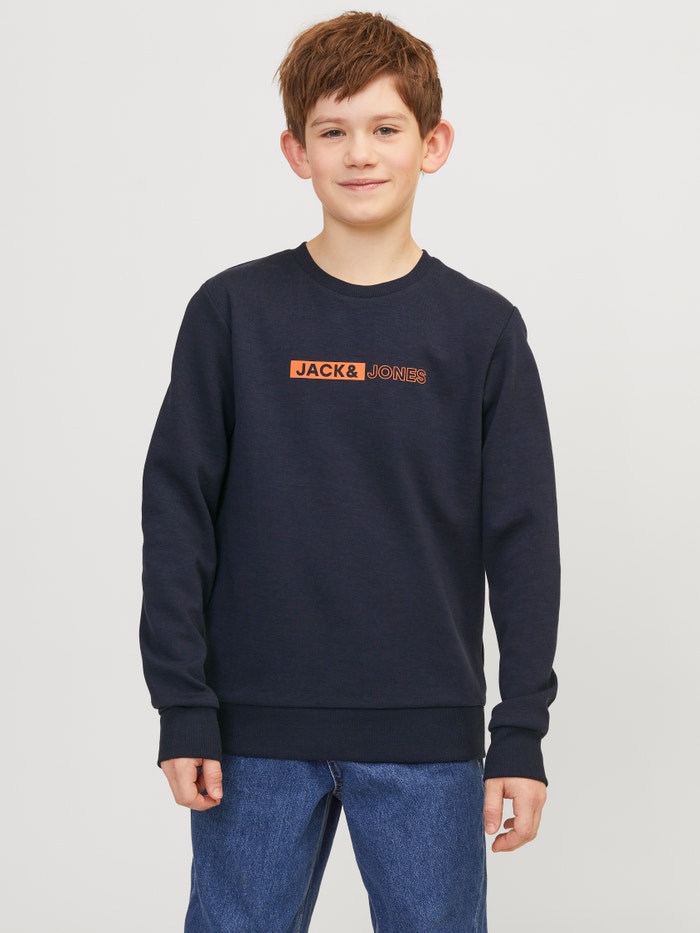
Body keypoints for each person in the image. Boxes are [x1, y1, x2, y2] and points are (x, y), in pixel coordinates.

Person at [139, 11, 560, 932]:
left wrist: (519, 734)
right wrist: (183, 706)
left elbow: (524, 540)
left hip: (429, 742)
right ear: (296, 151)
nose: (359, 153)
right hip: (250, 739)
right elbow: (176, 516)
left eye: (385, 127)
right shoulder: (231, 313)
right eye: (332, 130)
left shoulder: (483, 330)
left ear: (432, 144)